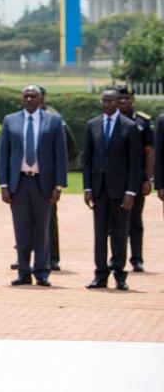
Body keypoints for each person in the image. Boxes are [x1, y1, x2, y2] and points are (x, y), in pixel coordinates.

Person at [0, 85, 68, 287]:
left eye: (33, 96)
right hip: (19, 183)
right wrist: (4, 184)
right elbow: (4, 154)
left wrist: (58, 185)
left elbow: (60, 155)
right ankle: (23, 272)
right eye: (26, 96)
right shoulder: (10, 120)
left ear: (41, 100)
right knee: (21, 229)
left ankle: (42, 272)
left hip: (42, 183)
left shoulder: (53, 121)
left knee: (43, 229)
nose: (29, 99)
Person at [82, 87, 140, 291]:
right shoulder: (92, 125)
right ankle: (100, 274)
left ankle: (119, 273)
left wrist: (131, 192)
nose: (108, 104)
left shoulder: (129, 126)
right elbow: (87, 160)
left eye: (112, 101)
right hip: (99, 189)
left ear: (118, 103)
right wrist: (87, 187)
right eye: (104, 101)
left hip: (120, 190)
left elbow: (134, 163)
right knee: (99, 234)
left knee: (119, 233)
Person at [117, 86, 153, 273]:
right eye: (120, 98)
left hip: (137, 178)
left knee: (135, 221)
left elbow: (149, 152)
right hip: (115, 179)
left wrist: (148, 178)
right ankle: (116, 258)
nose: (123, 101)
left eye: (127, 98)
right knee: (115, 221)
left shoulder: (142, 121)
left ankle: (137, 259)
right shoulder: (111, 120)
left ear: (133, 100)